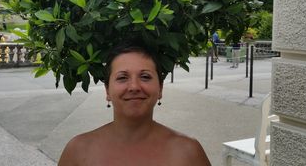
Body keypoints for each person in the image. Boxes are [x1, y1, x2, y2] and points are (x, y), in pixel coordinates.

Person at [58, 39, 211, 166]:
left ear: (160, 88)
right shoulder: (78, 151)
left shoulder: (188, 152)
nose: (134, 87)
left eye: (145, 77)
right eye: (122, 78)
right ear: (107, 91)